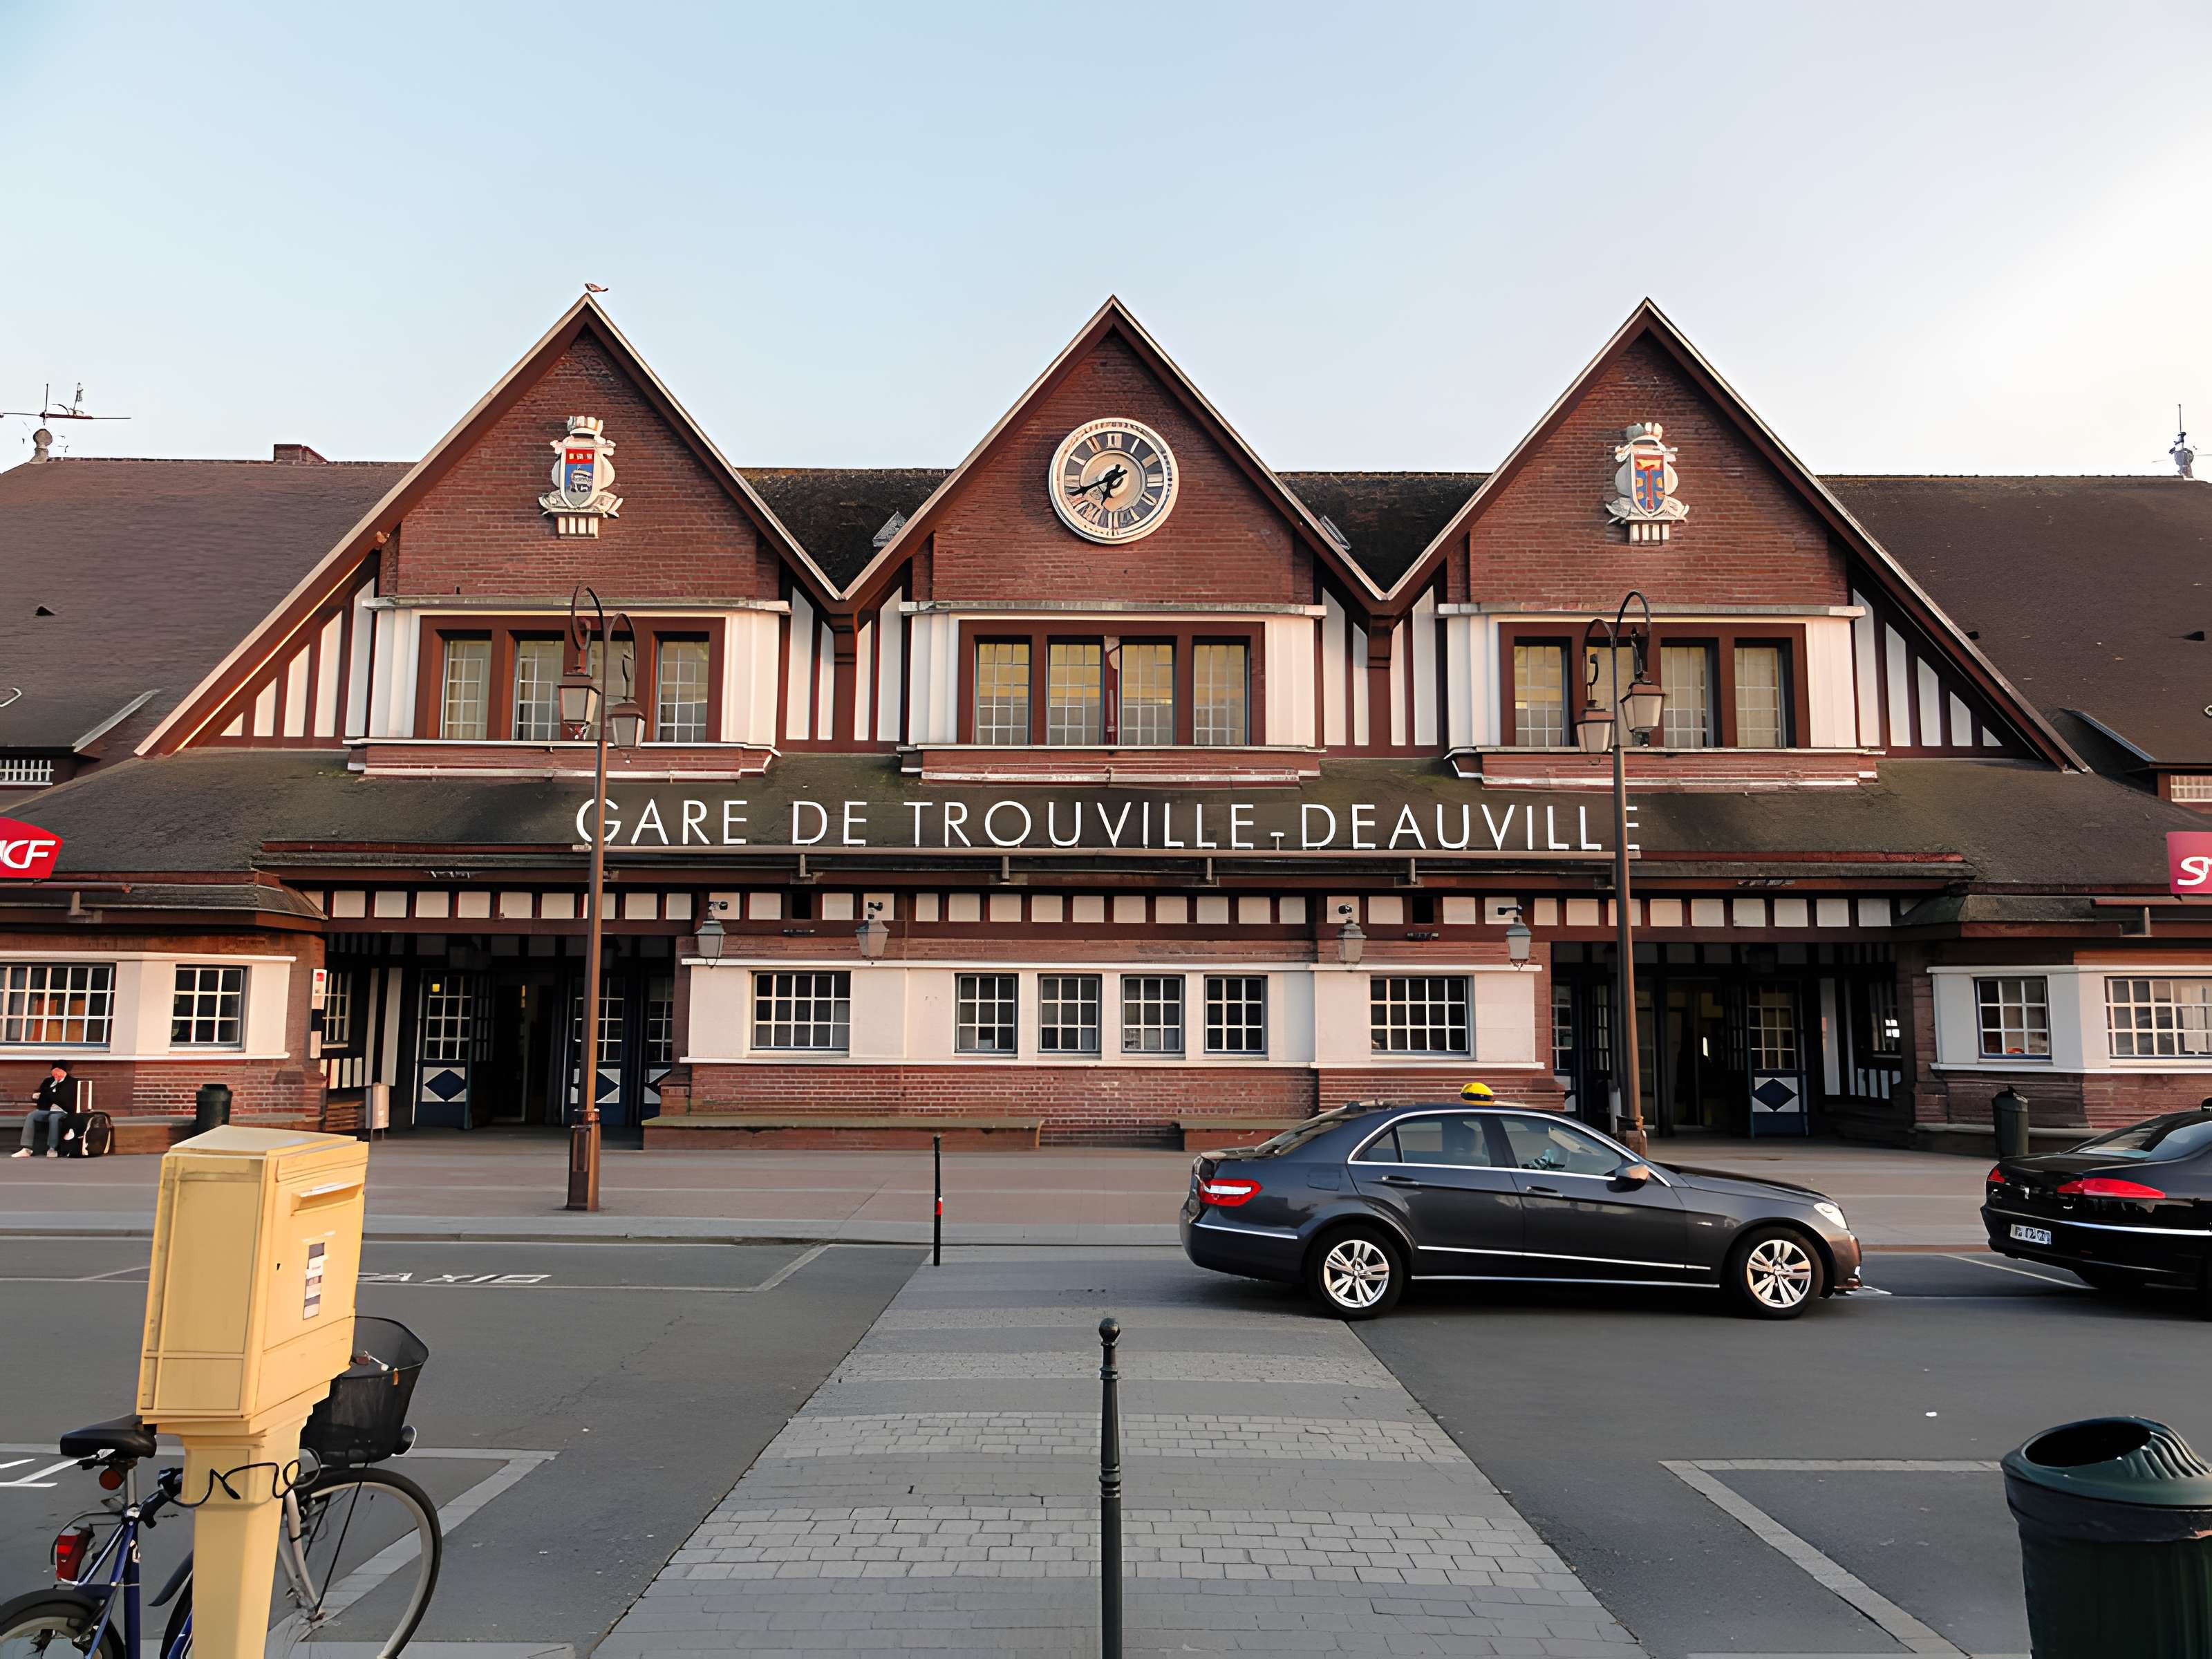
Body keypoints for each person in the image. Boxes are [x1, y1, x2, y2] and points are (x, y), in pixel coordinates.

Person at [12, 1062, 76, 1159]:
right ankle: (27, 1148)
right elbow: (41, 1095)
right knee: (32, 1115)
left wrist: (51, 1094)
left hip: (63, 1111)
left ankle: (52, 1148)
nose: (55, 1076)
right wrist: (38, 1095)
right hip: (47, 1109)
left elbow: (64, 1100)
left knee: (54, 1118)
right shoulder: (48, 1081)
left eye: (58, 1073)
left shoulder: (72, 1082)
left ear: (64, 1072)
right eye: (53, 1073)